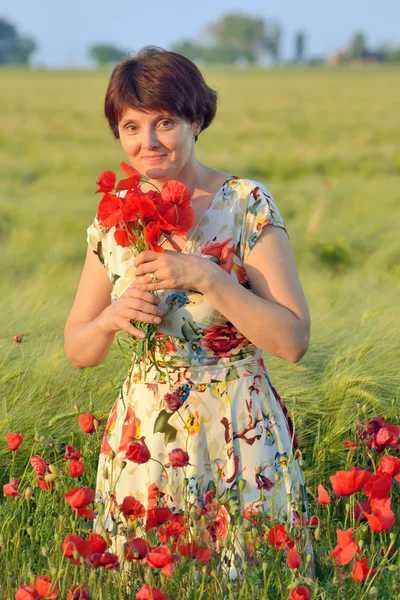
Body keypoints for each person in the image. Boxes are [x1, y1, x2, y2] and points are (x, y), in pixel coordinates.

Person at [64, 46, 313, 578]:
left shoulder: (245, 204)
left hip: (239, 430)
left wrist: (208, 277)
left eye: (165, 122)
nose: (147, 142)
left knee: (250, 580)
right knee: (152, 581)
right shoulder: (114, 218)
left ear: (197, 119)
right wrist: (110, 318)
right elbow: (77, 347)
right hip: (147, 439)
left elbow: (293, 341)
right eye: (131, 127)